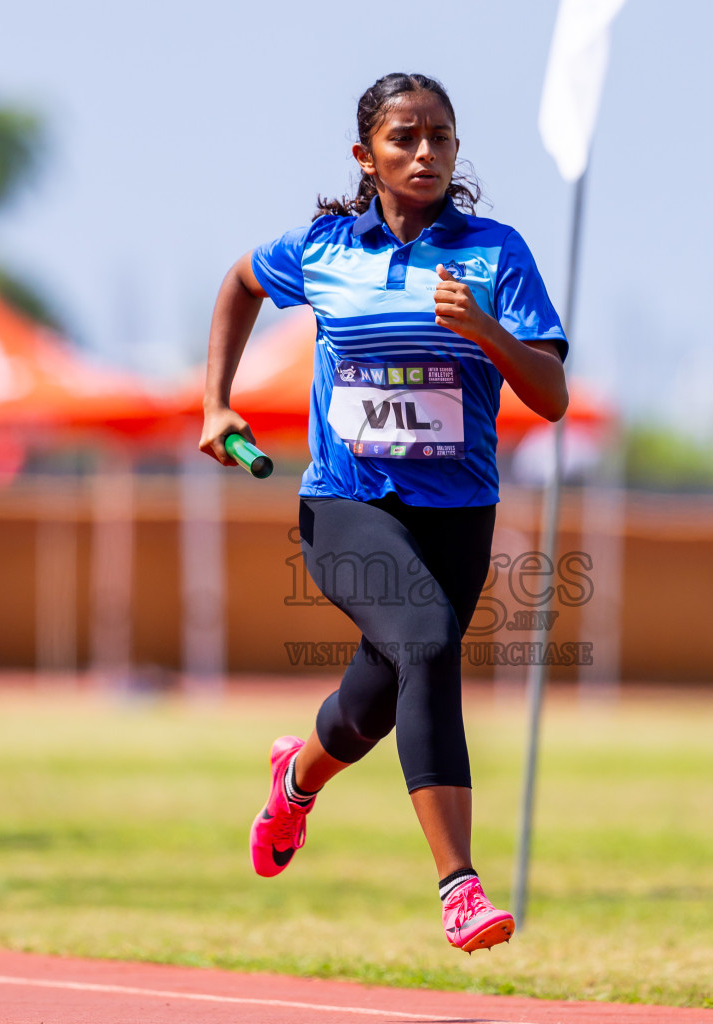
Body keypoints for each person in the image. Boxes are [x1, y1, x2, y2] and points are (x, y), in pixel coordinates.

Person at [198, 72, 568, 953]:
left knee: (376, 697)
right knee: (430, 643)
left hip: (458, 514)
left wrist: (487, 330)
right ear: (366, 157)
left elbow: (550, 396)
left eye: (441, 137)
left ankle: (297, 777)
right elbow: (241, 282)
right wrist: (216, 401)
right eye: (405, 138)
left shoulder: (495, 253)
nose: (427, 153)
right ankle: (460, 886)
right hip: (347, 505)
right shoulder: (324, 249)